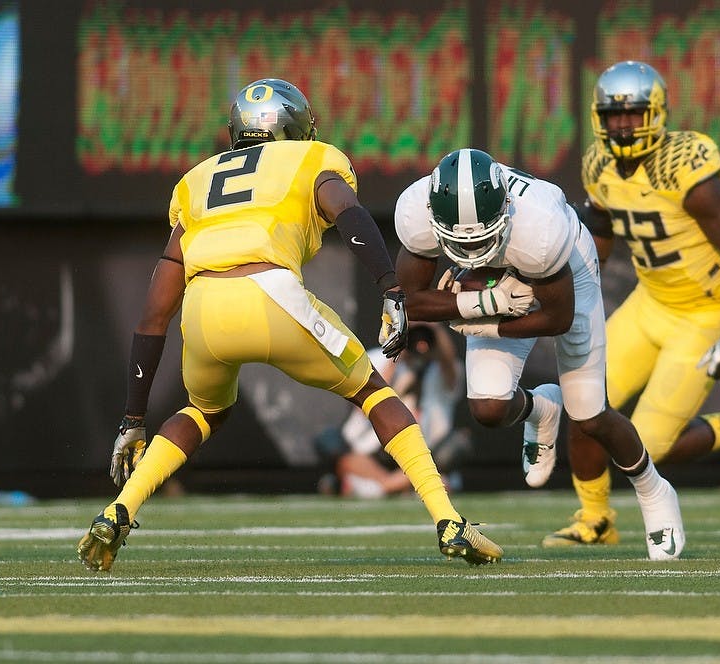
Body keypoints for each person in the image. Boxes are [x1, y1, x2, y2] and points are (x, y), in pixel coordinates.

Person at [76, 78, 502, 572]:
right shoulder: (312, 158)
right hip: (271, 294)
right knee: (372, 391)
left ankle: (119, 510)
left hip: (204, 306)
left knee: (204, 410)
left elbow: (154, 313)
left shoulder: (195, 181)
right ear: (295, 125)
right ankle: (448, 520)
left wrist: (132, 418)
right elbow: (350, 214)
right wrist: (391, 287)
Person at [394, 147, 685, 560]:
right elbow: (408, 301)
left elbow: (558, 318)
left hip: (569, 272)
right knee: (489, 408)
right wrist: (487, 304)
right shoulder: (414, 215)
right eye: (459, 242)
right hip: (497, 288)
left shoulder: (541, 229)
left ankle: (655, 491)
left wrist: (482, 315)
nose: (471, 252)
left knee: (589, 412)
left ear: (505, 209)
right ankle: (541, 409)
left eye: (480, 238)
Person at [543, 60, 720, 547]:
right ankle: (595, 519)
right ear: (599, 118)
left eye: (634, 114)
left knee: (648, 445)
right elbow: (601, 239)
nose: (624, 125)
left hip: (703, 314)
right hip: (651, 302)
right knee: (584, 404)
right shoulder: (599, 165)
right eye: (614, 115)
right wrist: (567, 284)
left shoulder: (683, 169)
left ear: (657, 114)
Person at [320, 322, 472, 497]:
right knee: (334, 447)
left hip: (422, 451)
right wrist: (397, 352)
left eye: (424, 338)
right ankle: (399, 484)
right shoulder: (377, 358)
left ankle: (379, 486)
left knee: (457, 445)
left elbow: (450, 366)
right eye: (413, 336)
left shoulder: (441, 368)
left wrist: (434, 328)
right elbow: (365, 402)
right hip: (374, 448)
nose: (418, 344)